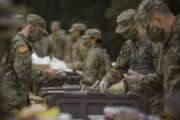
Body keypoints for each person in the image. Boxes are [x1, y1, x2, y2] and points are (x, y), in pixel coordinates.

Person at [123, 0, 179, 116]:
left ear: (157, 19)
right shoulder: (166, 42)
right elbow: (161, 78)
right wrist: (141, 80)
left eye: (147, 27)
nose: (147, 33)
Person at [4, 14, 57, 114]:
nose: (40, 36)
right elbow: (23, 73)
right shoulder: (20, 44)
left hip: (14, 95)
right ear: (31, 27)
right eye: (39, 32)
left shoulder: (17, 41)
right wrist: (46, 74)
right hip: (13, 98)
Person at [99, 9, 159, 95]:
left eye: (126, 31)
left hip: (153, 102)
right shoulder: (128, 45)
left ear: (136, 24)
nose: (124, 35)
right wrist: (106, 79)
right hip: (132, 98)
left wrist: (141, 78)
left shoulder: (155, 43)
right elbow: (119, 69)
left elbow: (164, 76)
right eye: (122, 33)